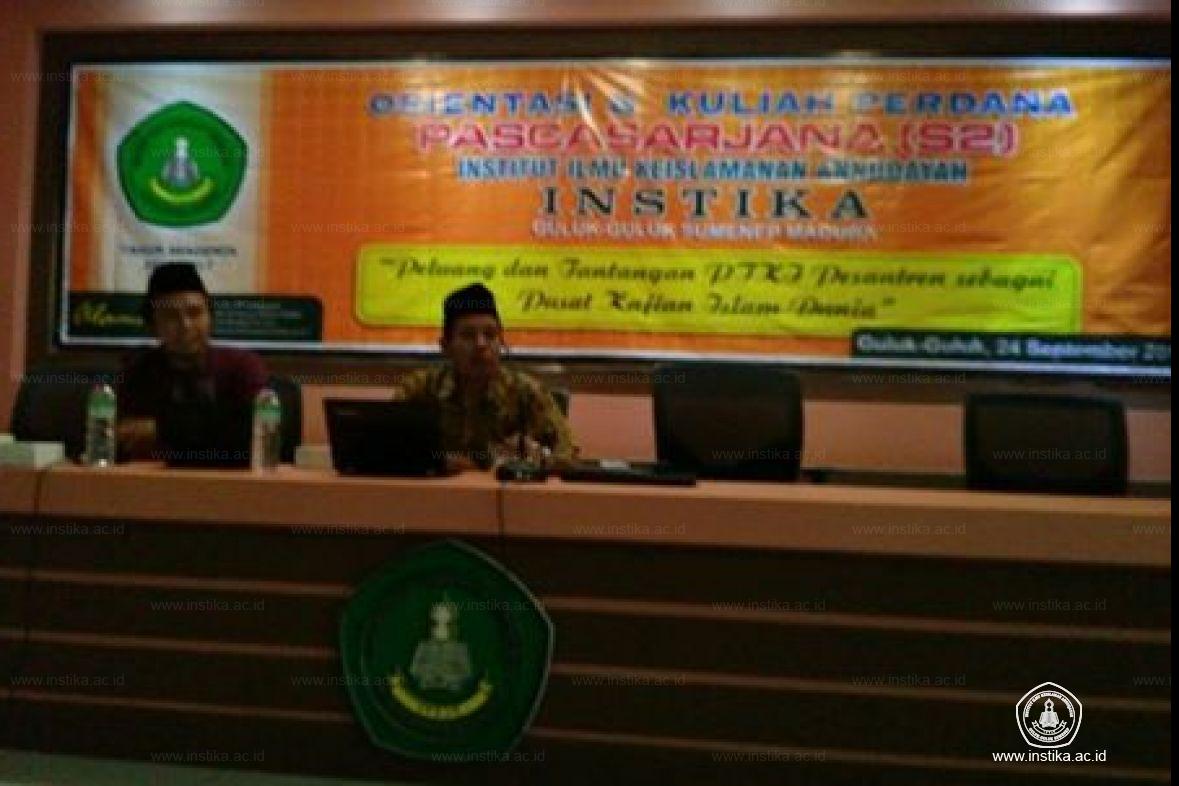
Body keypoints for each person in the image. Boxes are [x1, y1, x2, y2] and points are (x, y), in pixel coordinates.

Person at [394, 283, 575, 471]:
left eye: (490, 335)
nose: (481, 345)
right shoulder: (421, 389)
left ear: (501, 341)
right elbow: (389, 449)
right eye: (468, 336)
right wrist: (442, 462)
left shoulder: (525, 391)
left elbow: (568, 454)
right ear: (445, 346)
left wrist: (538, 458)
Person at [117, 263, 268, 460]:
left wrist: (162, 430)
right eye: (171, 316)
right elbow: (124, 438)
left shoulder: (241, 366)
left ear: (210, 318)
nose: (185, 325)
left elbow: (255, 431)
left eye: (195, 313)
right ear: (153, 326)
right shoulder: (139, 371)